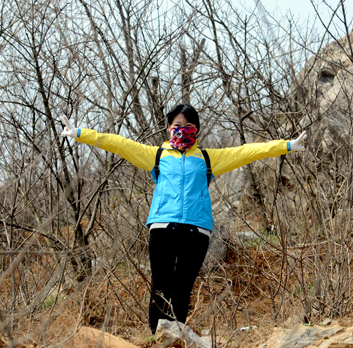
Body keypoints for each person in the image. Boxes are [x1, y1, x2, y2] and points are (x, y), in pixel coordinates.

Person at [61, 104, 307, 333]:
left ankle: (176, 341)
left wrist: (286, 146)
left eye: (188, 126)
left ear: (196, 130)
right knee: (160, 288)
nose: (181, 130)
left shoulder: (207, 158)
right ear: (169, 128)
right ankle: (158, 340)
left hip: (196, 232)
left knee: (182, 290)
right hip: (162, 228)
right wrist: (80, 133)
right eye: (176, 126)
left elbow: (247, 152)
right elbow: (118, 143)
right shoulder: (156, 155)